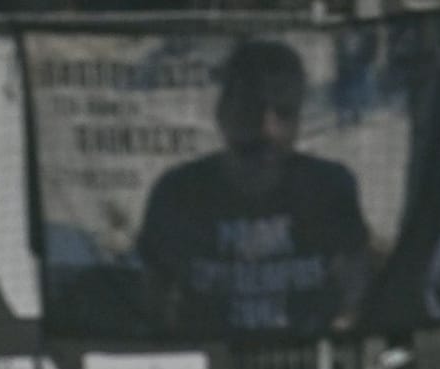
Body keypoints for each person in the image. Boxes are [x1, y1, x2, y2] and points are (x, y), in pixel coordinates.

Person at [135, 37, 372, 339]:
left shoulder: (328, 188)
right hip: (211, 360)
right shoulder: (179, 193)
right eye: (252, 108)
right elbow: (154, 301)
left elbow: (353, 293)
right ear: (223, 112)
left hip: (308, 358)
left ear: (299, 120)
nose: (267, 130)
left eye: (283, 113)